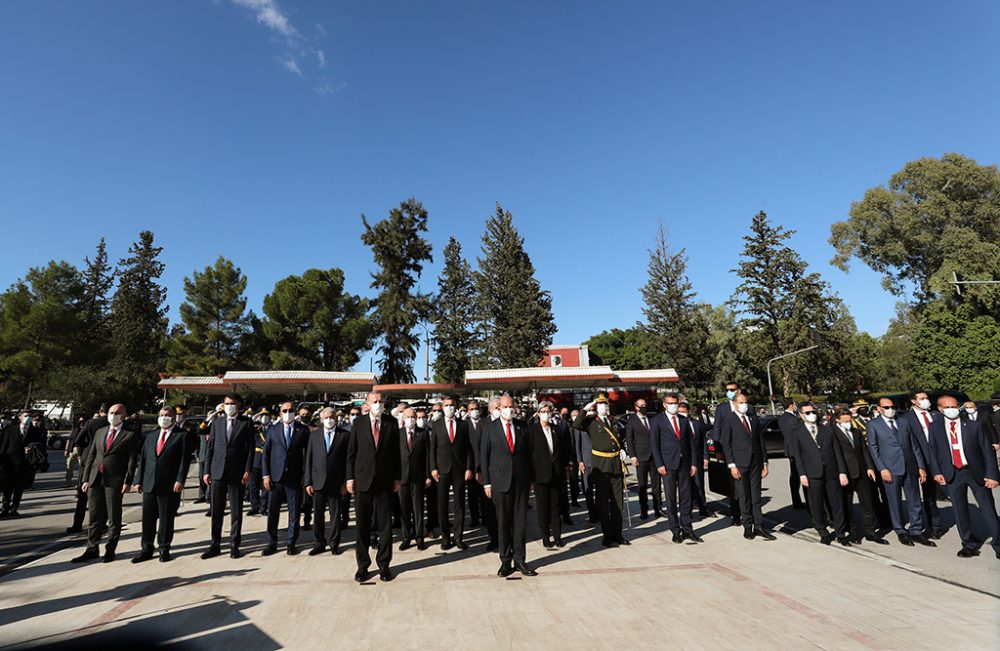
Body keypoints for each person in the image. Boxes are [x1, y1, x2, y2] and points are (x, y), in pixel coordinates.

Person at [928, 395, 1000, 559]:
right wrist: (937, 472)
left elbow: (987, 452)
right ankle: (969, 544)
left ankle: (998, 544)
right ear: (939, 409)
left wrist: (991, 475)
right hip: (953, 473)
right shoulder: (935, 428)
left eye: (955, 406)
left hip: (976, 472)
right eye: (947, 407)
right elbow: (933, 452)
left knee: (988, 509)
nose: (952, 410)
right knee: (960, 511)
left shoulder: (974, 426)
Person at [72, 404, 140, 563]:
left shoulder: (129, 434)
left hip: (114, 481)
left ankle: (110, 549)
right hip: (95, 479)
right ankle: (92, 548)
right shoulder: (100, 432)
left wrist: (128, 480)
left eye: (117, 413)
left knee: (113, 516)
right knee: (94, 516)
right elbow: (91, 456)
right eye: (111, 412)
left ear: (123, 415)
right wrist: (86, 479)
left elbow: (132, 460)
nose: (113, 415)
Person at [347, 391, 401, 583]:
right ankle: (362, 566)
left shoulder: (391, 423)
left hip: (385, 481)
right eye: (375, 401)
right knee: (362, 525)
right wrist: (349, 478)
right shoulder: (358, 423)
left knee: (385, 525)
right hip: (363, 480)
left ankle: (384, 564)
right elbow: (351, 453)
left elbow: (397, 453)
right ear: (367, 404)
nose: (378, 404)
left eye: (381, 401)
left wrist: (397, 478)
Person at [866, 397, 934, 546]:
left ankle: (916, 530)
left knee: (915, 500)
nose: (890, 409)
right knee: (894, 501)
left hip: (909, 466)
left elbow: (914, 445)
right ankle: (900, 530)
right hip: (890, 468)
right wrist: (882, 468)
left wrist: (921, 467)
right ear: (878, 408)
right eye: (886, 407)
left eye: (892, 406)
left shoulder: (903, 422)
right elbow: (873, 448)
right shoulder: (873, 425)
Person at [482, 394, 536, 576]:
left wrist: (531, 480)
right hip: (499, 482)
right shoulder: (490, 428)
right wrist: (487, 483)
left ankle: (520, 560)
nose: (508, 410)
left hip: (520, 482)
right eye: (504, 407)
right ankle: (505, 561)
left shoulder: (522, 427)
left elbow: (529, 456)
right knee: (503, 523)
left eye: (510, 406)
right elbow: (484, 456)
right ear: (498, 409)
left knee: (520, 523)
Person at [131, 407, 191, 563]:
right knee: (148, 518)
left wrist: (180, 480)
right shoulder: (151, 437)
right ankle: (146, 548)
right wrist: (138, 480)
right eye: (162, 415)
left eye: (167, 415)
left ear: (173, 417)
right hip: (149, 483)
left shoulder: (182, 436)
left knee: (166, 518)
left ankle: (164, 548)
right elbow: (143, 460)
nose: (164, 418)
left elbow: (184, 461)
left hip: (169, 484)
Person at [787, 403, 850, 546]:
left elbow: (837, 452)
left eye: (813, 411)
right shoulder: (797, 432)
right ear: (801, 415)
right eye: (808, 412)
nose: (812, 414)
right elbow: (797, 455)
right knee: (816, 504)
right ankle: (822, 531)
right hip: (812, 472)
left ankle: (840, 532)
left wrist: (842, 472)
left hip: (831, 471)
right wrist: (802, 474)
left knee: (837, 503)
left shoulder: (827, 430)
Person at [202, 394, 255, 559]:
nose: (229, 406)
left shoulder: (246, 422)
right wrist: (206, 470)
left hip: (237, 473)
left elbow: (251, 449)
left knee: (236, 511)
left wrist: (248, 470)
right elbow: (210, 449)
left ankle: (234, 544)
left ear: (238, 404)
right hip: (218, 471)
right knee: (216, 510)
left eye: (232, 403)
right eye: (226, 403)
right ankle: (215, 544)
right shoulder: (217, 423)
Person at [574, 394, 628, 548]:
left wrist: (622, 450)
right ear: (595, 407)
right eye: (601, 404)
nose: (604, 406)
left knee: (618, 502)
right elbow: (577, 425)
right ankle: (607, 534)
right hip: (601, 465)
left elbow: (618, 439)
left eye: (606, 404)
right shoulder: (591, 421)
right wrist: (585, 409)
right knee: (603, 502)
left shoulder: (613, 420)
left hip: (615, 464)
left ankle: (618, 533)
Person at [719, 393, 775, 541]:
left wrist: (764, 462)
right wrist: (732, 465)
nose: (745, 405)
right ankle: (747, 526)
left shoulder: (752, 417)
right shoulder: (729, 419)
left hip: (756, 462)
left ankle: (759, 526)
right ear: (735, 403)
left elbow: (759, 440)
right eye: (742, 402)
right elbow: (727, 444)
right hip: (739, 463)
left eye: (746, 402)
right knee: (744, 496)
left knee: (756, 496)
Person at [650, 393, 702, 543]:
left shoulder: (684, 420)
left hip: (684, 464)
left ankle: (687, 528)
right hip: (667, 465)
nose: (674, 406)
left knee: (686, 497)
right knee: (671, 497)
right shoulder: (657, 421)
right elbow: (654, 444)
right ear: (664, 404)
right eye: (671, 403)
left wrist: (693, 463)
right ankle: (675, 529)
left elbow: (691, 444)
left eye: (676, 403)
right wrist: (659, 464)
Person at [831, 409, 886, 545]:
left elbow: (864, 450)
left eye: (849, 421)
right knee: (847, 505)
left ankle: (870, 532)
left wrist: (869, 467)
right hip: (846, 474)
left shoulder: (856, 432)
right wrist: (840, 472)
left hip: (862, 473)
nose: (848, 423)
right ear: (837, 420)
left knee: (867, 503)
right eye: (844, 421)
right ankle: (853, 532)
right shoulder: (833, 434)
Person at [262, 401, 310, 556]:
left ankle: (291, 542)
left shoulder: (302, 430)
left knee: (294, 513)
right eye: (285, 410)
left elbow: (308, 455)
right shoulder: (272, 430)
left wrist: (306, 476)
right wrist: (266, 475)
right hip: (275, 478)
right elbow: (266, 454)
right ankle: (272, 542)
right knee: (273, 512)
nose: (288, 413)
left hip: (295, 478)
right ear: (280, 413)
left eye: (290, 410)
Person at [430, 396, 474, 551]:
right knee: (442, 505)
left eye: (452, 405)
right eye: (446, 405)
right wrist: (433, 468)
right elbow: (432, 449)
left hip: (459, 470)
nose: (449, 407)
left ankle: (458, 537)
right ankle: (446, 538)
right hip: (442, 471)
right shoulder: (436, 425)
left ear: (456, 407)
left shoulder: (463, 425)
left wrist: (469, 468)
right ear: (442, 407)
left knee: (459, 504)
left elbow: (468, 448)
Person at [305, 407, 350, 555]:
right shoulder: (314, 435)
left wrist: (345, 482)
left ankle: (334, 542)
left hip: (336, 482)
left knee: (335, 514)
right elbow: (309, 459)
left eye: (332, 417)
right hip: (318, 481)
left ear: (336, 419)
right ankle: (319, 542)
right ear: (321, 419)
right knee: (318, 514)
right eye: (326, 417)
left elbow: (348, 461)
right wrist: (308, 482)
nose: (329, 419)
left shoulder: (344, 435)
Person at [902, 390, 945, 539]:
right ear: (914, 401)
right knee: (925, 496)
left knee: (937, 493)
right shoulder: (906, 419)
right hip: (919, 461)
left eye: (927, 398)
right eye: (922, 398)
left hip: (940, 459)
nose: (926, 400)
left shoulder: (936, 415)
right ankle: (930, 526)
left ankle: (938, 525)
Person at [529, 401, 571, 548]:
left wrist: (565, 468)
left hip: (556, 474)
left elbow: (564, 450)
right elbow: (529, 455)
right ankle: (545, 536)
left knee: (556, 507)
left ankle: (557, 536)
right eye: (543, 411)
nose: (546, 413)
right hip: (540, 476)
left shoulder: (557, 429)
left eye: (548, 411)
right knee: (543, 508)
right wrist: (531, 479)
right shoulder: (532, 430)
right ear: (538, 413)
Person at [396, 407, 431, 551]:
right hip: (402, 478)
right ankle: (406, 538)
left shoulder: (423, 434)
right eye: (408, 417)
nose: (410, 419)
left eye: (413, 417)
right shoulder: (397, 434)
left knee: (418, 509)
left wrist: (428, 475)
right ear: (403, 418)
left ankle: (419, 538)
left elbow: (428, 456)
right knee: (404, 510)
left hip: (418, 478)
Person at [712, 381, 744, 526]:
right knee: (733, 486)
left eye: (732, 389)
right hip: (727, 451)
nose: (729, 392)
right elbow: (716, 429)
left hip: (744, 451)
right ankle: (736, 515)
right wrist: (717, 450)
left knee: (746, 485)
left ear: (739, 390)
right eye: (727, 390)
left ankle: (748, 513)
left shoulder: (746, 406)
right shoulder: (722, 408)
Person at [625, 398, 661, 520]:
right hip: (641, 457)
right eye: (642, 405)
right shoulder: (632, 420)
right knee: (643, 485)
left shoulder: (651, 419)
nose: (644, 407)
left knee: (656, 484)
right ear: (636, 407)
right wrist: (632, 456)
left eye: (645, 405)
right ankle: (644, 509)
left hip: (654, 457)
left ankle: (658, 508)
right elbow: (629, 440)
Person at [678, 402, 711, 517]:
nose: (682, 414)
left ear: (688, 411)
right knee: (686, 487)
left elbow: (703, 441)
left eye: (684, 411)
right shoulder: (677, 425)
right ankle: (688, 510)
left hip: (697, 459)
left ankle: (703, 508)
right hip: (683, 460)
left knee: (699, 484)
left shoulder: (696, 424)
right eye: (680, 412)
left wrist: (706, 457)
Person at [778, 398, 808, 509]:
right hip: (796, 449)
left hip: (789, 449)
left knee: (794, 475)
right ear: (791, 405)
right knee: (800, 474)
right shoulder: (794, 419)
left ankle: (796, 499)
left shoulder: (782, 418)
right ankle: (803, 501)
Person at [572, 408, 597, 523]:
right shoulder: (580, 426)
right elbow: (577, 444)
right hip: (586, 461)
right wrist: (579, 461)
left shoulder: (596, 423)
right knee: (588, 489)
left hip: (598, 461)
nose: (591, 412)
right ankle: (592, 514)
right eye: (589, 410)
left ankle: (600, 511)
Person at [247, 408, 270, 517]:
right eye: (262, 415)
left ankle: (264, 507)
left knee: (266, 487)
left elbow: (267, 442)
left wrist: (261, 432)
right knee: (253, 486)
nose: (264, 417)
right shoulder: (254, 429)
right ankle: (254, 506)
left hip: (267, 461)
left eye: (266, 415)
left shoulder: (272, 429)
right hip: (255, 461)